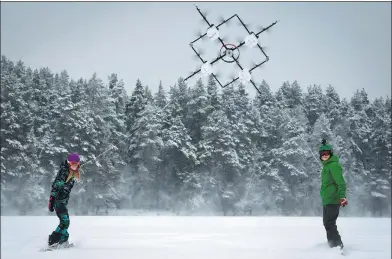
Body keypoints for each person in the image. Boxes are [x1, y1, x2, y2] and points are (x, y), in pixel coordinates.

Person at [319, 139, 348, 250]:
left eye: (327, 153)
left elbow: (341, 183)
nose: (324, 155)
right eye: (322, 153)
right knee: (327, 223)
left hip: (333, 199)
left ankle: (337, 246)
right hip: (327, 200)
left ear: (331, 153)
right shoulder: (326, 167)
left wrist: (342, 197)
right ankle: (332, 244)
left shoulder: (333, 166)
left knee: (329, 223)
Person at [47, 152, 81, 246]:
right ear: (68, 163)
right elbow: (55, 186)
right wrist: (51, 199)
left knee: (64, 222)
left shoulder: (71, 172)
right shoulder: (64, 172)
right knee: (65, 222)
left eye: (76, 164)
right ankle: (55, 240)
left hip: (63, 201)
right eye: (72, 163)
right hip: (58, 201)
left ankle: (62, 240)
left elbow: (74, 173)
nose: (74, 166)